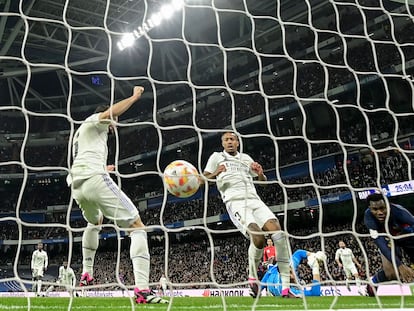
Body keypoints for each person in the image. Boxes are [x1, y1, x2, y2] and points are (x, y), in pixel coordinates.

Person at [67, 86, 167, 304]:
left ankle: (87, 272)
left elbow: (85, 155)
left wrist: (105, 168)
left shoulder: (82, 133)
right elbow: (110, 113)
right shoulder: (96, 120)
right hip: (93, 179)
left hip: (77, 185)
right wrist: (134, 97)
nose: (115, 126)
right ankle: (142, 290)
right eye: (114, 123)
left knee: (95, 222)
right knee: (137, 227)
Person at [202, 132, 294, 298]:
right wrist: (216, 172)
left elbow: (263, 182)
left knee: (279, 234)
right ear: (222, 143)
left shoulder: (246, 158)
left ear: (237, 142)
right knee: (258, 238)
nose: (230, 142)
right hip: (235, 201)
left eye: (232, 139)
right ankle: (252, 277)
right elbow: (202, 180)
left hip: (254, 200)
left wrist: (259, 173)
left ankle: (286, 288)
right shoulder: (216, 157)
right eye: (226, 140)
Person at [364, 192, 414, 296]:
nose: (380, 212)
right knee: (392, 273)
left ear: (388, 205)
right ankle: (373, 282)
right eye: (375, 209)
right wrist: (399, 265)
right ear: (370, 208)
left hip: (407, 237)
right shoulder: (368, 217)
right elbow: (380, 242)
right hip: (388, 241)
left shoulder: (399, 212)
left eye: (382, 208)